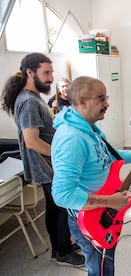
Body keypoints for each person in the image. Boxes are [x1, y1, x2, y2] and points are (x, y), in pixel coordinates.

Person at [51, 76, 131, 276]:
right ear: (82, 101)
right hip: (90, 218)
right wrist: (110, 201)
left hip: (102, 211)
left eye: (106, 98)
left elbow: (110, 155)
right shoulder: (72, 139)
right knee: (100, 269)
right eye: (101, 99)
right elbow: (62, 195)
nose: (107, 104)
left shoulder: (88, 128)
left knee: (105, 265)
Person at [1, 53, 84, 266]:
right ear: (30, 72)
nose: (51, 77)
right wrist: (61, 159)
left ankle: (61, 247)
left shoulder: (32, 97)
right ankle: (62, 251)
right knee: (63, 207)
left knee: (55, 208)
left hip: (49, 166)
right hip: (48, 166)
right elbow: (32, 142)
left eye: (51, 72)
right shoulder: (29, 101)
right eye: (46, 72)